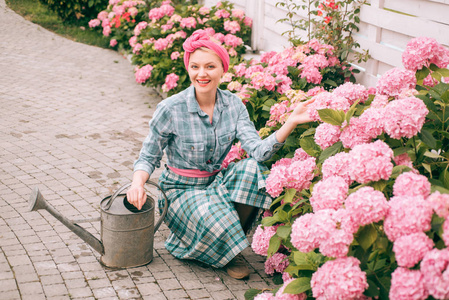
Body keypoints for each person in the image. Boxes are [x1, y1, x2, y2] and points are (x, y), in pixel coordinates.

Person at [126, 29, 314, 279]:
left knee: (253, 171)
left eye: (210, 66)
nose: (201, 74)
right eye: (195, 66)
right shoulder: (170, 108)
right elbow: (148, 156)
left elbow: (259, 152)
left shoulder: (234, 105)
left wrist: (289, 122)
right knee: (210, 211)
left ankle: (219, 239)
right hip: (180, 190)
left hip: (215, 182)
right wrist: (137, 184)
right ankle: (220, 245)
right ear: (188, 69)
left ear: (222, 70)